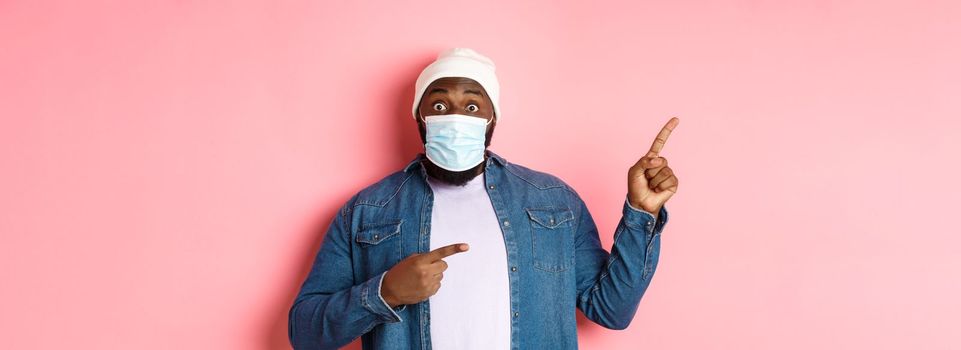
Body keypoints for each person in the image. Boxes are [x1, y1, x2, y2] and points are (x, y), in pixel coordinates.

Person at [288, 48, 679, 350]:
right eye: (439, 106)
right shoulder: (367, 210)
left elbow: (611, 310)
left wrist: (642, 213)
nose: (456, 117)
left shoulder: (553, 201)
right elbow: (305, 331)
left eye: (472, 106)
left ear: (492, 120)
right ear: (419, 118)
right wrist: (385, 291)